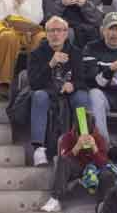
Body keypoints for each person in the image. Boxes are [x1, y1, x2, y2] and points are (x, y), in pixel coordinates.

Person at [28, 15, 85, 165]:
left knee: (82, 98)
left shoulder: (75, 52)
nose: (55, 34)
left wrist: (73, 85)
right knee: (39, 96)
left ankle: (85, 139)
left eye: (59, 30)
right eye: (51, 31)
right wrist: (50, 64)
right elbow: (34, 83)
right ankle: (39, 149)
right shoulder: (36, 54)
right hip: (47, 91)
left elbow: (83, 79)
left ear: (66, 33)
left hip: (69, 93)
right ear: (46, 34)